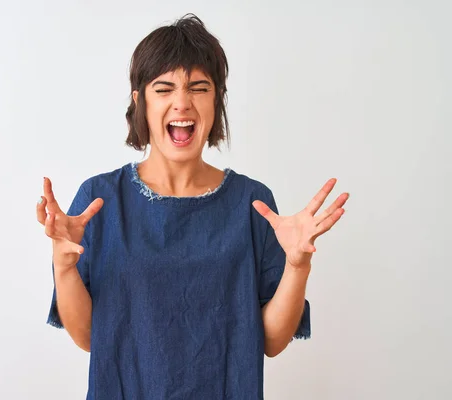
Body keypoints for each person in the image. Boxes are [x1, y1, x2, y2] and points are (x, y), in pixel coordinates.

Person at [36, 14, 348, 400]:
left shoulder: (253, 204)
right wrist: (64, 267)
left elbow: (271, 340)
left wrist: (298, 266)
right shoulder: (100, 201)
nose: (182, 103)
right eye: (164, 89)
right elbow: (88, 339)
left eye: (198, 88)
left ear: (216, 100)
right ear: (140, 102)